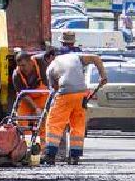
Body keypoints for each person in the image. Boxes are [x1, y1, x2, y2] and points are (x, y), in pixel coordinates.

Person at [40, 30, 107, 165]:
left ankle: (50, 155)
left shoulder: (51, 66)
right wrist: (103, 76)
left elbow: (54, 89)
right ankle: (75, 156)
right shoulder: (76, 56)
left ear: (49, 57)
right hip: (81, 93)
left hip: (65, 94)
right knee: (77, 124)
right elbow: (96, 58)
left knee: (54, 123)